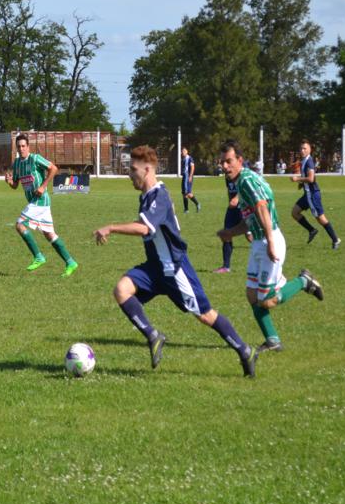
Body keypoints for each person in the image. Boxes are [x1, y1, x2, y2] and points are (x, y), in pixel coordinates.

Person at [93, 145, 256, 377]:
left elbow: (144, 228)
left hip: (174, 269)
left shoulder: (159, 195)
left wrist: (110, 227)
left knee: (205, 315)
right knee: (121, 290)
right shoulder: (146, 196)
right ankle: (153, 336)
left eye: (133, 170)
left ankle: (245, 350)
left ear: (147, 169)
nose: (130, 175)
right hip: (154, 268)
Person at [217, 140, 324, 354]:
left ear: (240, 160)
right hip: (260, 241)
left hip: (268, 240)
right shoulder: (243, 180)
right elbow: (251, 219)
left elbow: (262, 208)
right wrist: (230, 233)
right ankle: (272, 340)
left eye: (228, 161)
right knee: (252, 295)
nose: (225, 166)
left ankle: (303, 281)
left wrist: (270, 242)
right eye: (222, 163)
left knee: (267, 301)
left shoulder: (246, 181)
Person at [5, 133, 78, 277]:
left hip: (40, 200)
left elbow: (53, 168)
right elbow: (15, 185)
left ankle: (38, 257)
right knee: (49, 235)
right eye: (19, 147)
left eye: (23, 146)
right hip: (36, 203)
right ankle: (70, 262)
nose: (21, 149)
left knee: (19, 225)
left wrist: (43, 186)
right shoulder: (17, 163)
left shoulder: (35, 158)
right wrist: (9, 182)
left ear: (28, 147)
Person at [290, 139, 341, 250]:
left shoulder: (309, 161)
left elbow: (311, 178)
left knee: (320, 218)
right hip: (307, 194)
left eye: (305, 148)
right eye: (301, 148)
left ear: (310, 150)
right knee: (295, 212)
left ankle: (335, 239)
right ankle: (312, 230)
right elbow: (309, 178)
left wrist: (297, 179)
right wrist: (301, 184)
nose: (302, 150)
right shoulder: (304, 161)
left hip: (312, 195)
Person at [213, 172, 243, 274]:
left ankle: (270, 252)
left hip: (244, 207)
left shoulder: (243, 174)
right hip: (232, 209)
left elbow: (247, 188)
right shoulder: (227, 176)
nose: (224, 166)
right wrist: (230, 201)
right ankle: (226, 267)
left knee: (250, 236)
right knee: (226, 234)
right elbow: (229, 190)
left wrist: (237, 198)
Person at [180, 146, 201, 213]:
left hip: (188, 177)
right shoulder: (183, 159)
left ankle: (197, 204)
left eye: (184, 151)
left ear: (187, 152)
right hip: (184, 177)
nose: (182, 152)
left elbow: (192, 167)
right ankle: (186, 209)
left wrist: (190, 176)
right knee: (184, 193)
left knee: (187, 193)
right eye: (182, 151)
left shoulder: (189, 158)